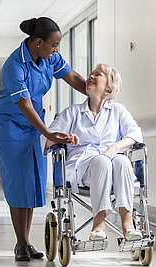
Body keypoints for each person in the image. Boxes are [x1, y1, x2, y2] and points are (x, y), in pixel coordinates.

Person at [0, 17, 88, 261]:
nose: (57, 50)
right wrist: (48, 133)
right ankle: (21, 243)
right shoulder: (14, 65)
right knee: (17, 180)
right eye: (54, 45)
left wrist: (95, 91)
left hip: (34, 122)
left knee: (31, 180)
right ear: (37, 42)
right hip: (10, 124)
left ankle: (26, 243)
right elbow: (24, 104)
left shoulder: (49, 58)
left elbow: (73, 77)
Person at [42, 63, 143, 241]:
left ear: (109, 88)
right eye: (91, 74)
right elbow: (46, 139)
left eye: (98, 75)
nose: (91, 77)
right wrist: (62, 138)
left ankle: (127, 222)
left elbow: (135, 135)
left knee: (122, 161)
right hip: (82, 169)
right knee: (102, 161)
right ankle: (99, 223)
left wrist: (114, 148)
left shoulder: (118, 111)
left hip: (114, 167)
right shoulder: (72, 113)